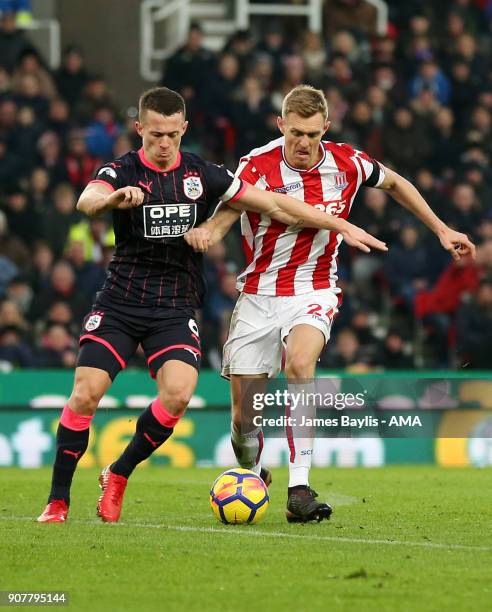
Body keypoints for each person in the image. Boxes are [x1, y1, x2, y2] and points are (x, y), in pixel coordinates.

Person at [36, 86, 387, 524]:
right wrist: (111, 200)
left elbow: (277, 203)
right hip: (121, 302)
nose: (163, 144)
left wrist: (339, 223)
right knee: (86, 394)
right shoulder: (121, 169)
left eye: (172, 135)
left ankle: (119, 473)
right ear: (140, 129)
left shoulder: (204, 174)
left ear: (184, 130)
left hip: (175, 305)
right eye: (154, 135)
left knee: (180, 395)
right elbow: (86, 199)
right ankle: (58, 501)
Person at [184, 84, 475, 523]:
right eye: (295, 133)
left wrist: (439, 228)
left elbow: (395, 183)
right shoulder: (256, 165)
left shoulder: (348, 162)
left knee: (301, 366)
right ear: (281, 124)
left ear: (327, 128)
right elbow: (230, 209)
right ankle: (254, 472)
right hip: (259, 295)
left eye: (313, 134)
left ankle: (299, 487)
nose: (303, 143)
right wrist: (210, 231)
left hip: (314, 290)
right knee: (245, 418)